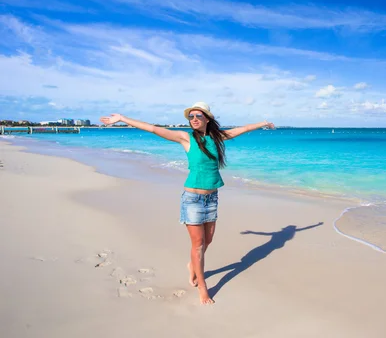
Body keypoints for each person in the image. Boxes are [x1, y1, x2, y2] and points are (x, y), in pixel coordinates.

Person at [100, 101, 274, 304]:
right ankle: (203, 287)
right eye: (191, 117)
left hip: (212, 198)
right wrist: (122, 118)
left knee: (207, 241)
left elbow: (242, 129)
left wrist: (263, 123)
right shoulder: (186, 138)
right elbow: (154, 129)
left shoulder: (217, 138)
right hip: (192, 199)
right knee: (198, 245)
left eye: (198, 116)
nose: (194, 120)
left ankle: (192, 266)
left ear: (207, 119)